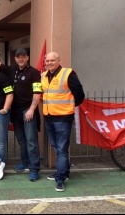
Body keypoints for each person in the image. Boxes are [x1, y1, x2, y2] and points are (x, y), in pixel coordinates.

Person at [0, 45, 42, 182]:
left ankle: (34, 168)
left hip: (27, 110)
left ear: (27, 58)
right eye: (19, 56)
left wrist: (32, 109)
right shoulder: (12, 70)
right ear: (15, 58)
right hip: (16, 111)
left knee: (31, 140)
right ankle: (24, 163)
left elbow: (37, 92)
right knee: (21, 140)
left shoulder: (34, 73)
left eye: (23, 56)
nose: (21, 59)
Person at [41, 51, 85, 192]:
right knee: (56, 147)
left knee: (62, 149)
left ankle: (60, 179)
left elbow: (79, 94)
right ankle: (64, 172)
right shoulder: (43, 75)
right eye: (47, 61)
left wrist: (70, 105)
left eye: (52, 60)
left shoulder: (67, 74)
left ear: (59, 61)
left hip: (63, 118)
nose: (49, 63)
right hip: (49, 116)